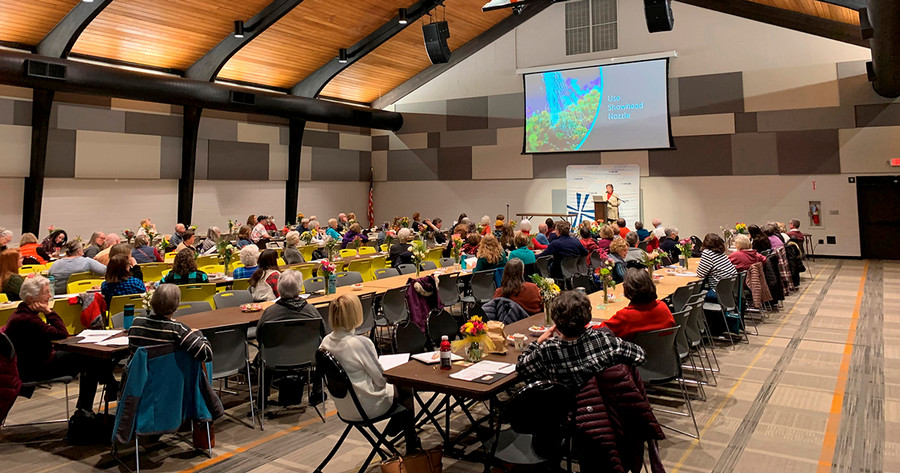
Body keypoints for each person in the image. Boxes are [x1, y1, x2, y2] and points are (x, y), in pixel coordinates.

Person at [319, 293, 419, 451]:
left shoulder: (325, 343)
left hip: (345, 407)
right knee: (405, 385)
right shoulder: (360, 343)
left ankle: (400, 426)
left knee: (400, 390)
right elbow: (381, 380)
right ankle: (412, 442)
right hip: (367, 406)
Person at [5, 276, 112, 416]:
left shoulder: (21, 314)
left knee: (90, 358)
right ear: (31, 299)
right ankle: (95, 399)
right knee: (90, 356)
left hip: (34, 363)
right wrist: (49, 312)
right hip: (36, 369)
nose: (50, 296)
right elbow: (62, 333)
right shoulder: (27, 319)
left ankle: (90, 404)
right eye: (45, 292)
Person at [517, 291, 645, 391]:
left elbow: (521, 368)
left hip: (562, 412)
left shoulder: (546, 350)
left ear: (556, 321)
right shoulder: (604, 341)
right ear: (587, 318)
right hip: (601, 410)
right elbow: (640, 356)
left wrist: (537, 342)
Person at [256, 271, 324, 407]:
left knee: (264, 351)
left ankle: (262, 397)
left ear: (279, 289)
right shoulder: (312, 311)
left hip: (274, 358)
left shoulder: (270, 313)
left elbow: (259, 336)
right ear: (299, 288)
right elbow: (323, 334)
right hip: (309, 356)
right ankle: (317, 392)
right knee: (322, 353)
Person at [128, 283, 212, 361]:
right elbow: (206, 355)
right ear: (176, 305)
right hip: (171, 375)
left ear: (152, 301)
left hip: (140, 375)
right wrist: (198, 334)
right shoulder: (178, 330)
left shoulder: (136, 323)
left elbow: (132, 352)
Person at [600, 269, 676, 340]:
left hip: (637, 353)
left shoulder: (625, 316)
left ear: (627, 289)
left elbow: (599, 331)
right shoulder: (663, 307)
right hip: (665, 352)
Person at [696, 233, 738, 300]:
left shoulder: (707, 253)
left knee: (693, 296)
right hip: (730, 290)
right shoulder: (721, 253)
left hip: (718, 291)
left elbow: (701, 274)